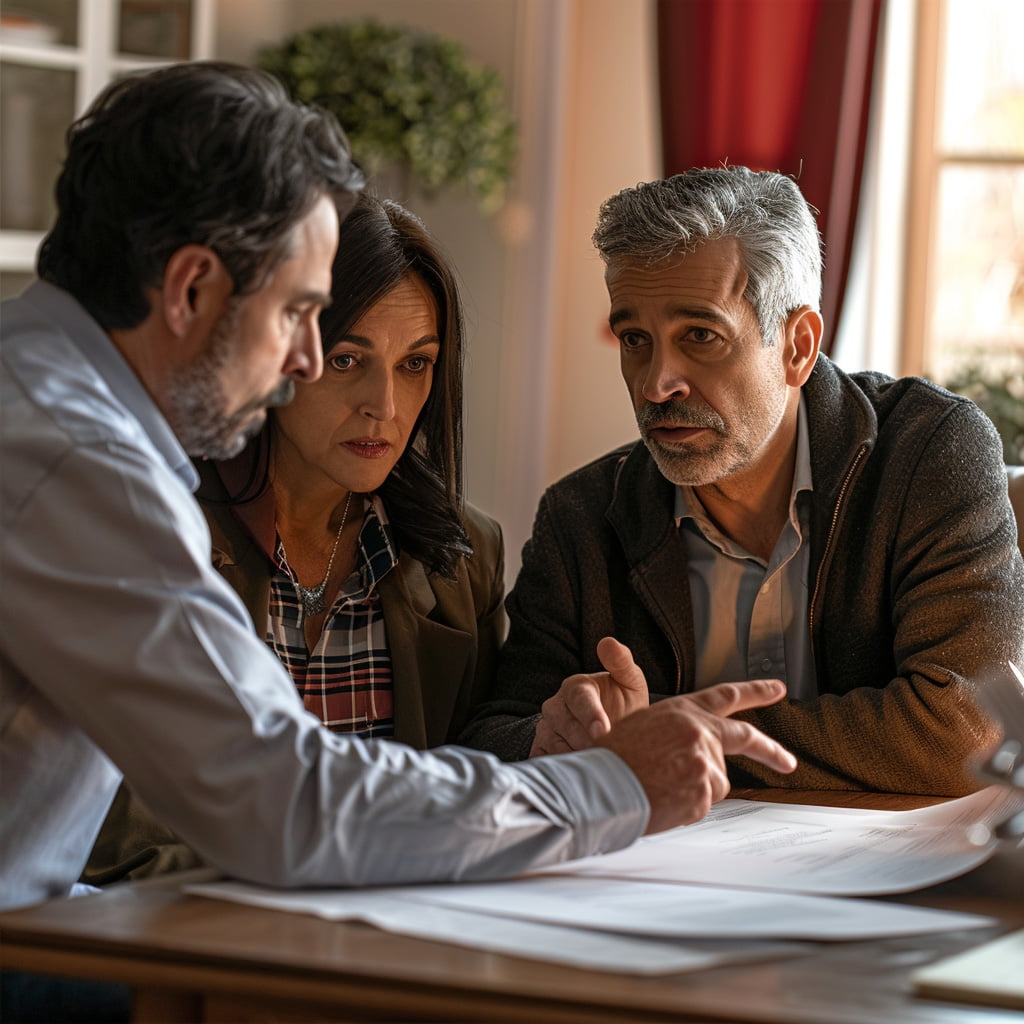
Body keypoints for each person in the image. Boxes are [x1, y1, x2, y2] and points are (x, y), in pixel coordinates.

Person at [0, 63, 798, 919]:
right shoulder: (78, 461)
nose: (303, 361)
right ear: (192, 288)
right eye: (298, 315)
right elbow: (281, 802)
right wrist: (607, 788)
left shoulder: (40, 397)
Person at [460, 166, 1024, 797]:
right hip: (658, 885)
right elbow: (492, 737)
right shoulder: (581, 516)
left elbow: (969, 730)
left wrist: (666, 733)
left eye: (700, 335)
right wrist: (550, 733)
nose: (655, 383)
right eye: (635, 339)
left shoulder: (930, 453)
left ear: (798, 346)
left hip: (886, 886)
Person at [83, 192, 508, 882]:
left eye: (415, 363)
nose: (386, 407)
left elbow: (477, 785)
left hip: (401, 938)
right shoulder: (154, 533)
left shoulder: (462, 557)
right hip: (189, 943)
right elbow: (115, 840)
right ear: (278, 351)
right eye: (347, 360)